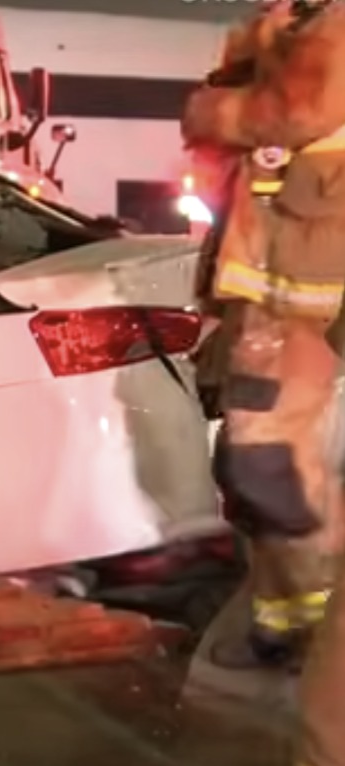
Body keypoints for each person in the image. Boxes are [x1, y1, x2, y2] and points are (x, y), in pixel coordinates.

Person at [180, 0, 345, 693]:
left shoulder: (333, 27)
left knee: (266, 460)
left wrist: (213, 111)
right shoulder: (299, 22)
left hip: (300, 290)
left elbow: (289, 112)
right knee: (263, 462)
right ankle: (291, 623)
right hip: (277, 287)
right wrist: (262, 37)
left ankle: (310, 624)